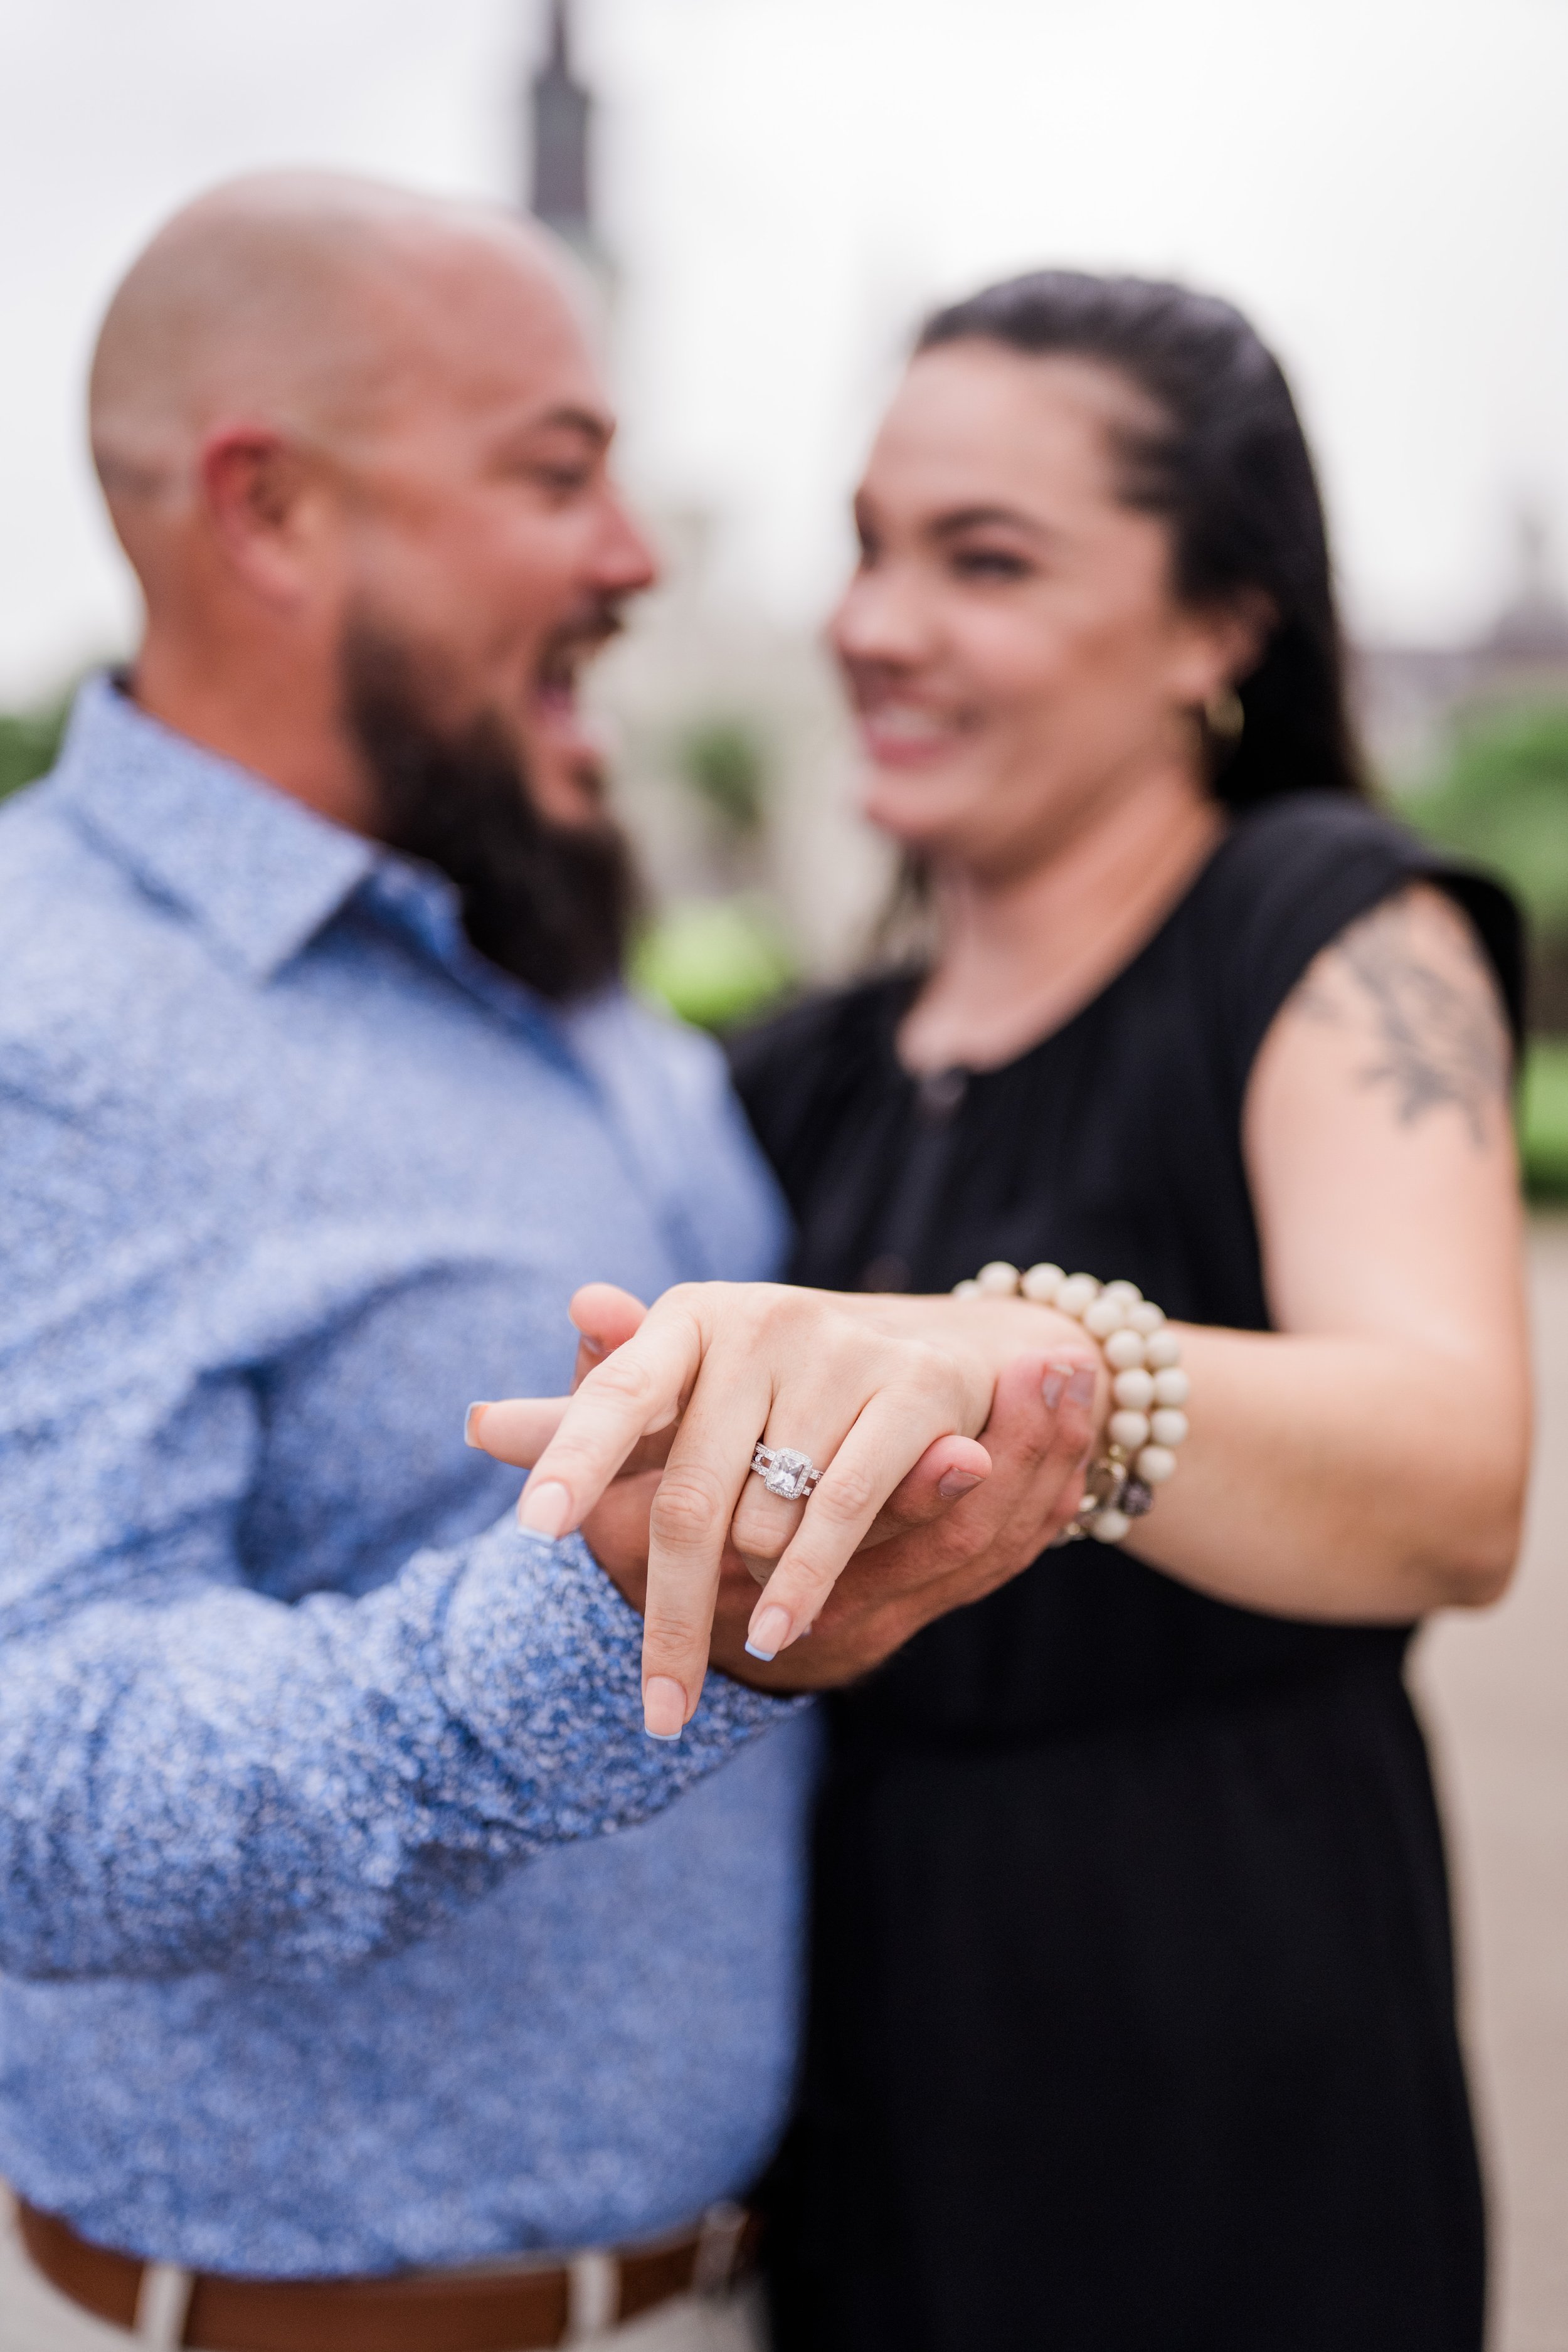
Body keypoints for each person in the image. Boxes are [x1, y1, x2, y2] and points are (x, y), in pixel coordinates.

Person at [0, 177, 1103, 2352]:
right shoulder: (47, 1018)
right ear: (276, 512)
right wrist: (610, 1619)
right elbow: (30, 1786)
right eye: (555, 474)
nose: (637, 555)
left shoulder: (583, 989)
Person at [480, 273, 1530, 2351]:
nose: (874, 622)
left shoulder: (1323, 927)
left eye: (984, 559)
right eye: (867, 545)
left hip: (1219, 2064)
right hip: (857, 2081)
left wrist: (1028, 1366)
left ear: (1220, 625)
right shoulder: (800, 1066)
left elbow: (1452, 1471)